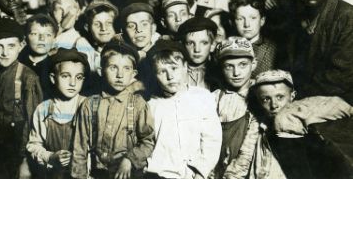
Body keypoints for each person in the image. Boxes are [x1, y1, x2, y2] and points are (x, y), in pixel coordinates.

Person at [223, 70, 353, 179]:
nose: (274, 105)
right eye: (266, 99)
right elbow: (241, 163)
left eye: (280, 97)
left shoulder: (305, 128)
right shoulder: (257, 128)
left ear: (292, 96)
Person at [71, 39, 155, 179]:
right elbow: (79, 149)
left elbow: (148, 141)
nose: (120, 75)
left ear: (133, 74)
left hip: (128, 174)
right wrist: (80, 177)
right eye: (113, 67)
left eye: (126, 68)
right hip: (96, 174)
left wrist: (130, 159)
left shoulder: (138, 104)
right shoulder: (89, 104)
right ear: (101, 71)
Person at [145, 40, 222, 179]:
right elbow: (147, 143)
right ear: (154, 75)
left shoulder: (202, 97)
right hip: (161, 175)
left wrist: (201, 172)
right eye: (162, 71)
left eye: (174, 68)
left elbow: (212, 140)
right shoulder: (151, 105)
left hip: (195, 175)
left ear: (185, 67)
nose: (170, 76)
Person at [288, 0, 353, 104]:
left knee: (283, 120)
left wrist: (296, 96)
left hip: (342, 99)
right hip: (308, 96)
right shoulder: (297, 19)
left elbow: (340, 77)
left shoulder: (348, 17)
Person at [0, 18, 43, 178]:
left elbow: (34, 123)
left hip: (18, 152)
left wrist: (26, 161)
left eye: (11, 46)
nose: (4, 53)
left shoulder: (28, 78)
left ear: (21, 46)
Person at [27, 48, 89, 178]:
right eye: (65, 76)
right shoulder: (43, 109)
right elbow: (34, 145)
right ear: (53, 78)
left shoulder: (89, 106)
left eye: (78, 77)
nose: (73, 83)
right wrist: (51, 157)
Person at [211, 36, 257, 178]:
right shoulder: (214, 98)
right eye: (229, 66)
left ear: (253, 64)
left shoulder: (260, 96)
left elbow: (251, 149)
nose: (236, 73)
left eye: (243, 64)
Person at [47, 0, 96, 71]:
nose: (65, 13)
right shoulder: (46, 38)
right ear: (50, 13)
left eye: (69, 9)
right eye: (59, 9)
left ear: (78, 13)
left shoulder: (79, 43)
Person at [229, 0, 277, 76]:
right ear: (233, 22)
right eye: (240, 19)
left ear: (262, 20)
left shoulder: (272, 49)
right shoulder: (228, 48)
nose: (247, 24)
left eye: (253, 18)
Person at [18, 13, 58, 98]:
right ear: (25, 38)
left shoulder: (55, 66)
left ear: (54, 40)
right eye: (35, 34)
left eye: (48, 35)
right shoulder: (18, 62)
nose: (42, 38)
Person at [176, 16, 220, 91]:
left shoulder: (219, 73)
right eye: (190, 43)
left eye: (204, 43)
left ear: (212, 45)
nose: (197, 49)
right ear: (183, 45)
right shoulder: (177, 72)